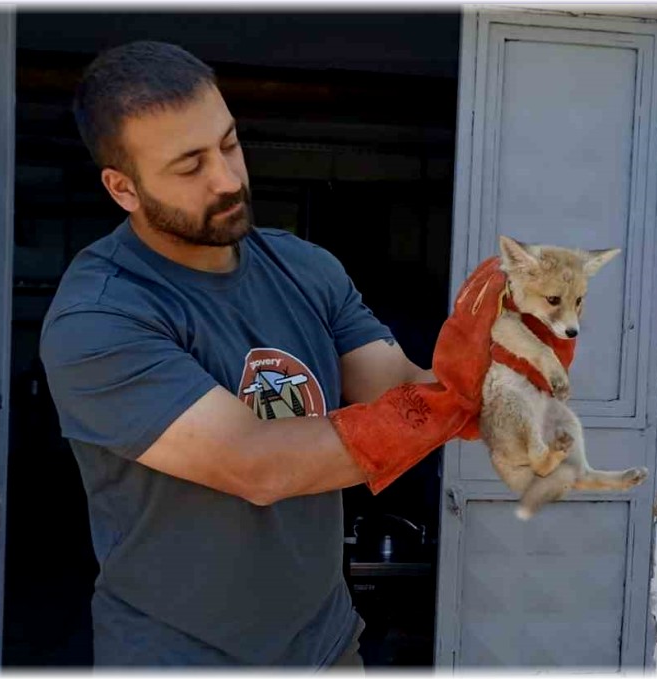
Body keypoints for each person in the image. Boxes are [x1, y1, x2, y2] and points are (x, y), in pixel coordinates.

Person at [39, 40, 504, 669]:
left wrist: (500, 374)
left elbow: (394, 387)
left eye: (229, 144)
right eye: (190, 166)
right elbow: (259, 465)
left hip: (327, 647)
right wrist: (449, 407)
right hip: (181, 657)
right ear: (123, 188)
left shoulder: (304, 267)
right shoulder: (100, 316)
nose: (228, 179)